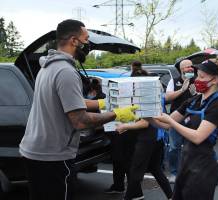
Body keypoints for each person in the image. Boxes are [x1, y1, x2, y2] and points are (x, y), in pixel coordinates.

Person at [19, 19, 138, 200]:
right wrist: (116, 114)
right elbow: (80, 120)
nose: (88, 44)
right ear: (74, 41)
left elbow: (72, 101)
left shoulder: (47, 66)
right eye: (86, 39)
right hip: (53, 156)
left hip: (34, 151)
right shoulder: (65, 71)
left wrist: (102, 104)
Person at [147, 56, 218, 200]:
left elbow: (198, 137)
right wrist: (145, 115)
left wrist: (172, 123)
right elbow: (165, 123)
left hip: (203, 166)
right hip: (186, 162)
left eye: (202, 77)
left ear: (215, 80)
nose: (197, 80)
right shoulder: (193, 101)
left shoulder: (217, 106)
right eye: (197, 76)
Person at [104, 60, 148, 195]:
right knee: (122, 160)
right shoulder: (136, 91)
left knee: (125, 161)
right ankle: (121, 187)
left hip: (127, 130)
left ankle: (134, 192)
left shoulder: (140, 94)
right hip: (126, 131)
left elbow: (144, 121)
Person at [116, 120, 173, 200]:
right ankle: (171, 196)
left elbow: (145, 123)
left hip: (147, 139)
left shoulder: (146, 107)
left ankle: (129, 197)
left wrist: (125, 126)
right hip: (157, 137)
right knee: (155, 169)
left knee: (135, 171)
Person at [164, 59, 196, 183]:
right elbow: (167, 97)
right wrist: (182, 90)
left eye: (191, 66)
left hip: (192, 119)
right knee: (174, 147)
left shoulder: (197, 80)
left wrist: (196, 93)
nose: (191, 69)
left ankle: (190, 171)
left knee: (191, 147)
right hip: (176, 119)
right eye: (188, 67)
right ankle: (174, 172)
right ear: (182, 69)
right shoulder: (174, 80)